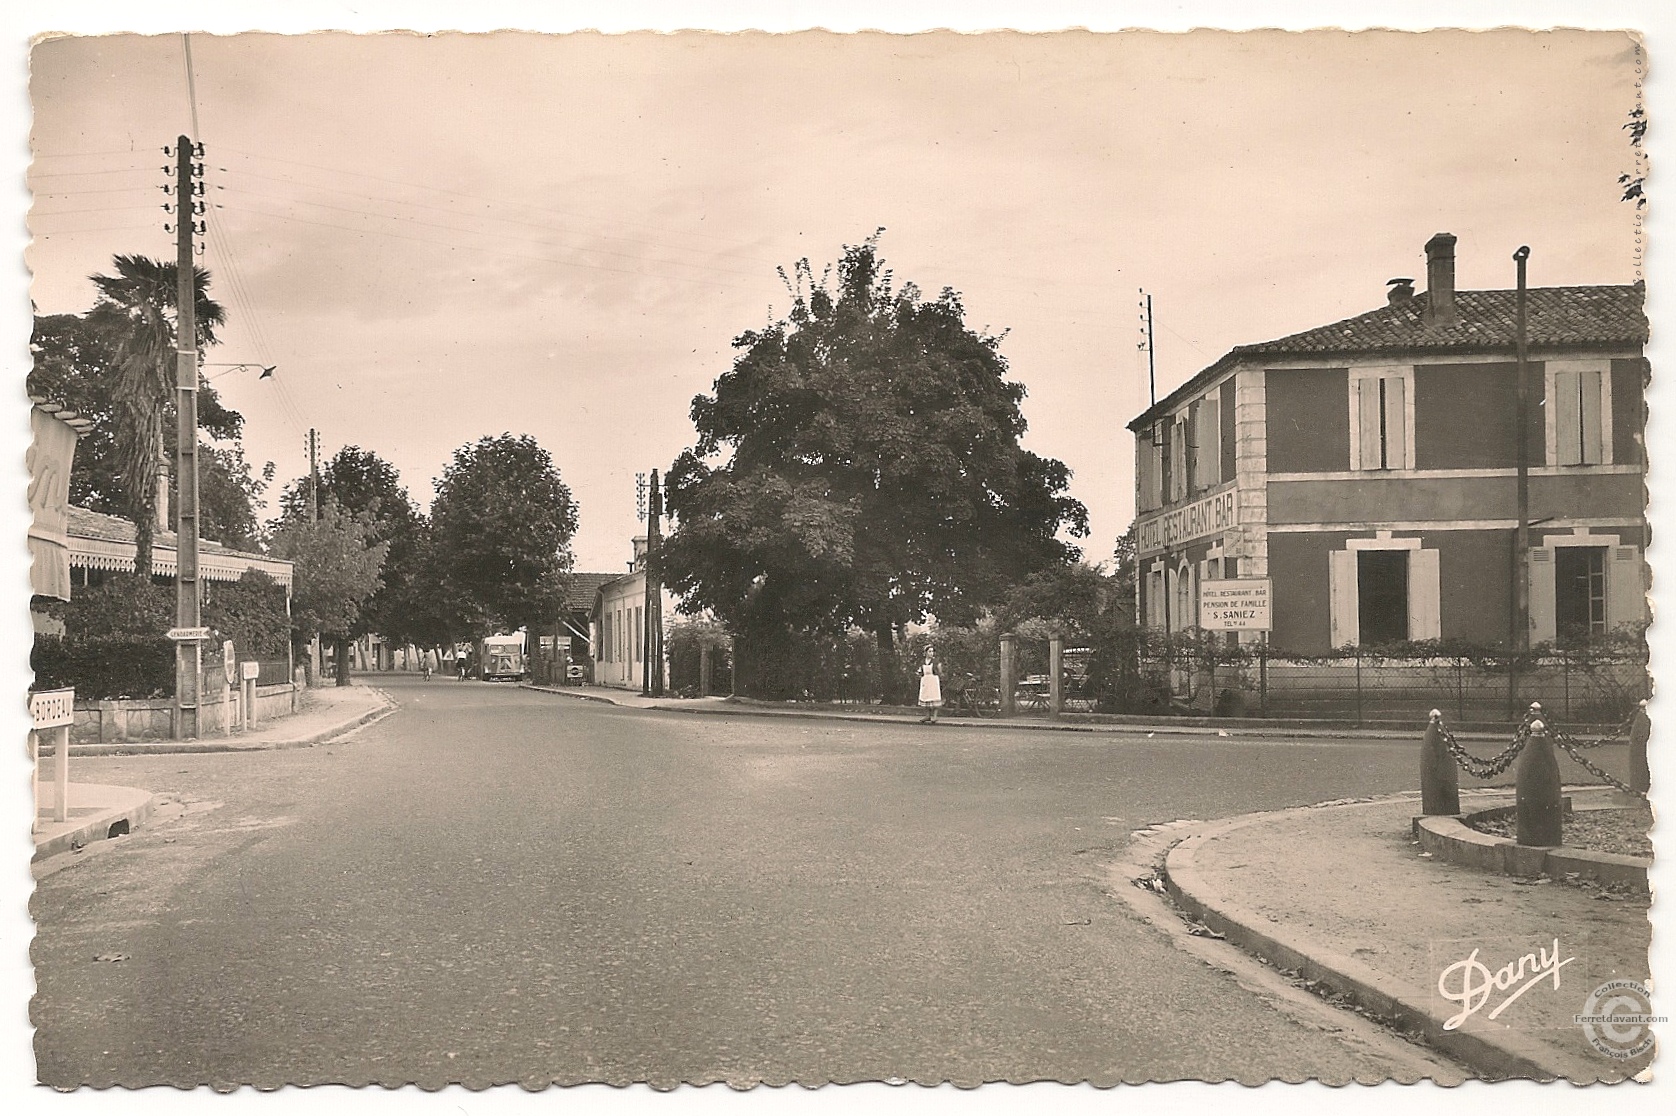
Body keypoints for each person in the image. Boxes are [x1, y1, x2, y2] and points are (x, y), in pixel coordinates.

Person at [917, 646, 943, 724]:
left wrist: (939, 670)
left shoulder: (935, 661)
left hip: (933, 680)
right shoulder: (922, 662)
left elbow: (939, 671)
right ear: (925, 653)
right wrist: (919, 673)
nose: (931, 653)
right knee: (925, 697)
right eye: (929, 651)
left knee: (934, 697)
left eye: (932, 651)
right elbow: (920, 671)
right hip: (925, 680)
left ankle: (935, 716)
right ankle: (927, 715)